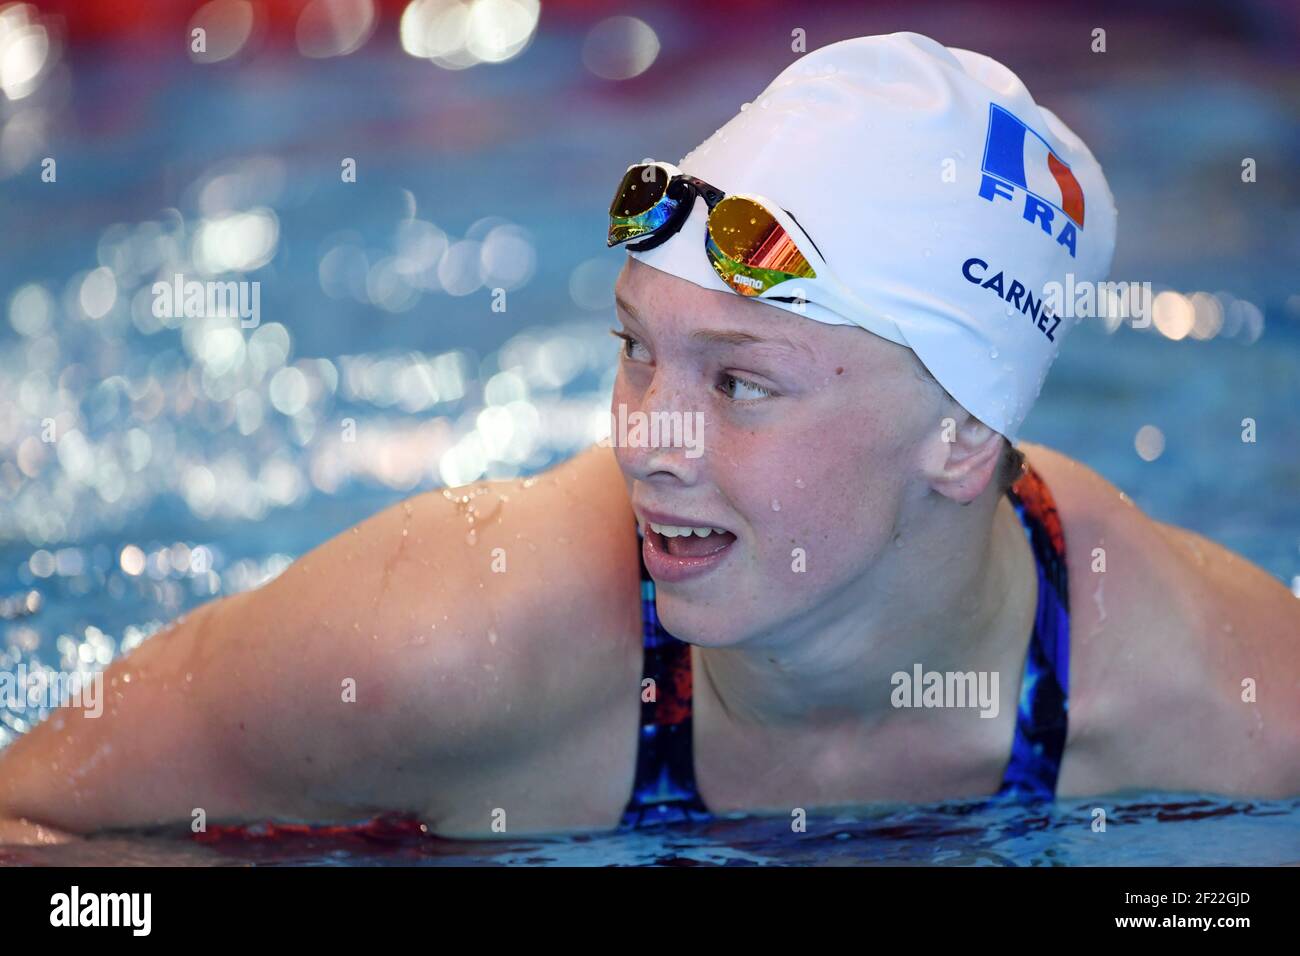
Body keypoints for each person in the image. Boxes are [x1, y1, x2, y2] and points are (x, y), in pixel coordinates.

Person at [1, 32, 1296, 846]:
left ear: (962, 438)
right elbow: (29, 823)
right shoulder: (445, 652)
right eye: (636, 347)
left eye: (740, 384)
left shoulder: (1230, 715)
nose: (647, 439)